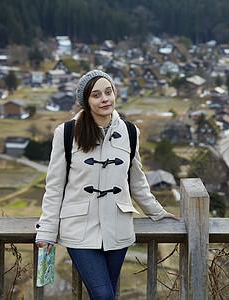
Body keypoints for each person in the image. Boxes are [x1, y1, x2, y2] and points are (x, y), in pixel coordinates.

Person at [35, 70, 179, 299]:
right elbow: (54, 186)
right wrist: (47, 231)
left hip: (118, 228)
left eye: (108, 92)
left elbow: (137, 182)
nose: (105, 99)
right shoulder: (67, 133)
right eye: (96, 95)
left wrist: (158, 212)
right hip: (79, 228)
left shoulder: (130, 132)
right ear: (86, 101)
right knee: (104, 296)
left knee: (105, 294)